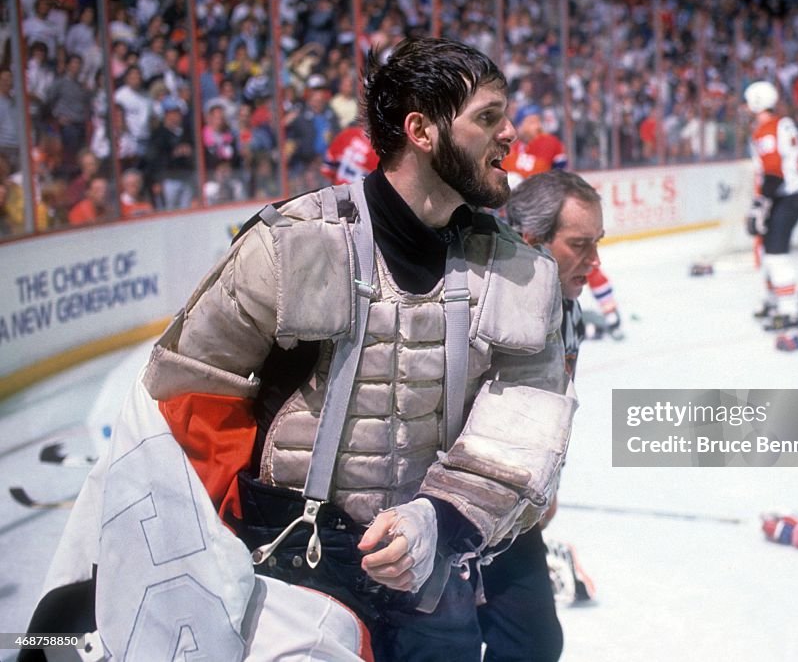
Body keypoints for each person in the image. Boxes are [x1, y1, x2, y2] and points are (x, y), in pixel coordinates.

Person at [127, 37, 572, 661]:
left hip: (430, 579)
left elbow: (526, 423)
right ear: (421, 129)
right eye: (489, 118)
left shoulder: (521, 273)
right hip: (288, 576)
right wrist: (237, 522)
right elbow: (190, 388)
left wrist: (440, 521)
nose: (512, 137)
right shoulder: (293, 245)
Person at [487, 169, 603, 661]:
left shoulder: (570, 308)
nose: (595, 263)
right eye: (580, 244)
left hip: (514, 514)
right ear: (531, 241)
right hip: (447, 513)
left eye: (597, 243)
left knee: (535, 643)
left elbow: (557, 407)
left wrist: (548, 486)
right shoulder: (482, 305)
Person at [504, 103, 623, 338]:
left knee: (577, 261)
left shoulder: (549, 144)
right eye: (530, 120)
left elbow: (563, 180)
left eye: (538, 119)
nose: (537, 124)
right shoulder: (510, 148)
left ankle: (610, 311)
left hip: (548, 218)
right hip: (518, 220)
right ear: (519, 125)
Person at [743, 80, 798, 352]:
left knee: (775, 253)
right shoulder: (782, 123)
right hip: (792, 191)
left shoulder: (767, 129)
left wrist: (761, 205)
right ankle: (775, 302)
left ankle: (789, 312)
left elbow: (773, 172)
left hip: (786, 193)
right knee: (771, 249)